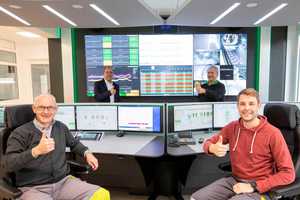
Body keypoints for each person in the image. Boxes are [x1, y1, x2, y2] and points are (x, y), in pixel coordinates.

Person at [191, 88, 295, 200]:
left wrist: (253, 186)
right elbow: (208, 143)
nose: (246, 108)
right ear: (237, 106)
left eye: (251, 104)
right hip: (235, 181)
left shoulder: (273, 133)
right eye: (242, 104)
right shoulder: (232, 127)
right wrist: (211, 147)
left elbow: (288, 174)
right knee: (195, 198)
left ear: (258, 105)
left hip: (261, 188)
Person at [3, 94, 110, 200]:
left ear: (56, 110)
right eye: (41, 107)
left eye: (50, 107)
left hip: (63, 182)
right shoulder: (20, 133)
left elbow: (74, 143)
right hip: (33, 187)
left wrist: (87, 153)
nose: (46, 111)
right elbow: (9, 164)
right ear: (34, 109)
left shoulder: (61, 127)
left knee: (101, 194)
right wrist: (35, 151)